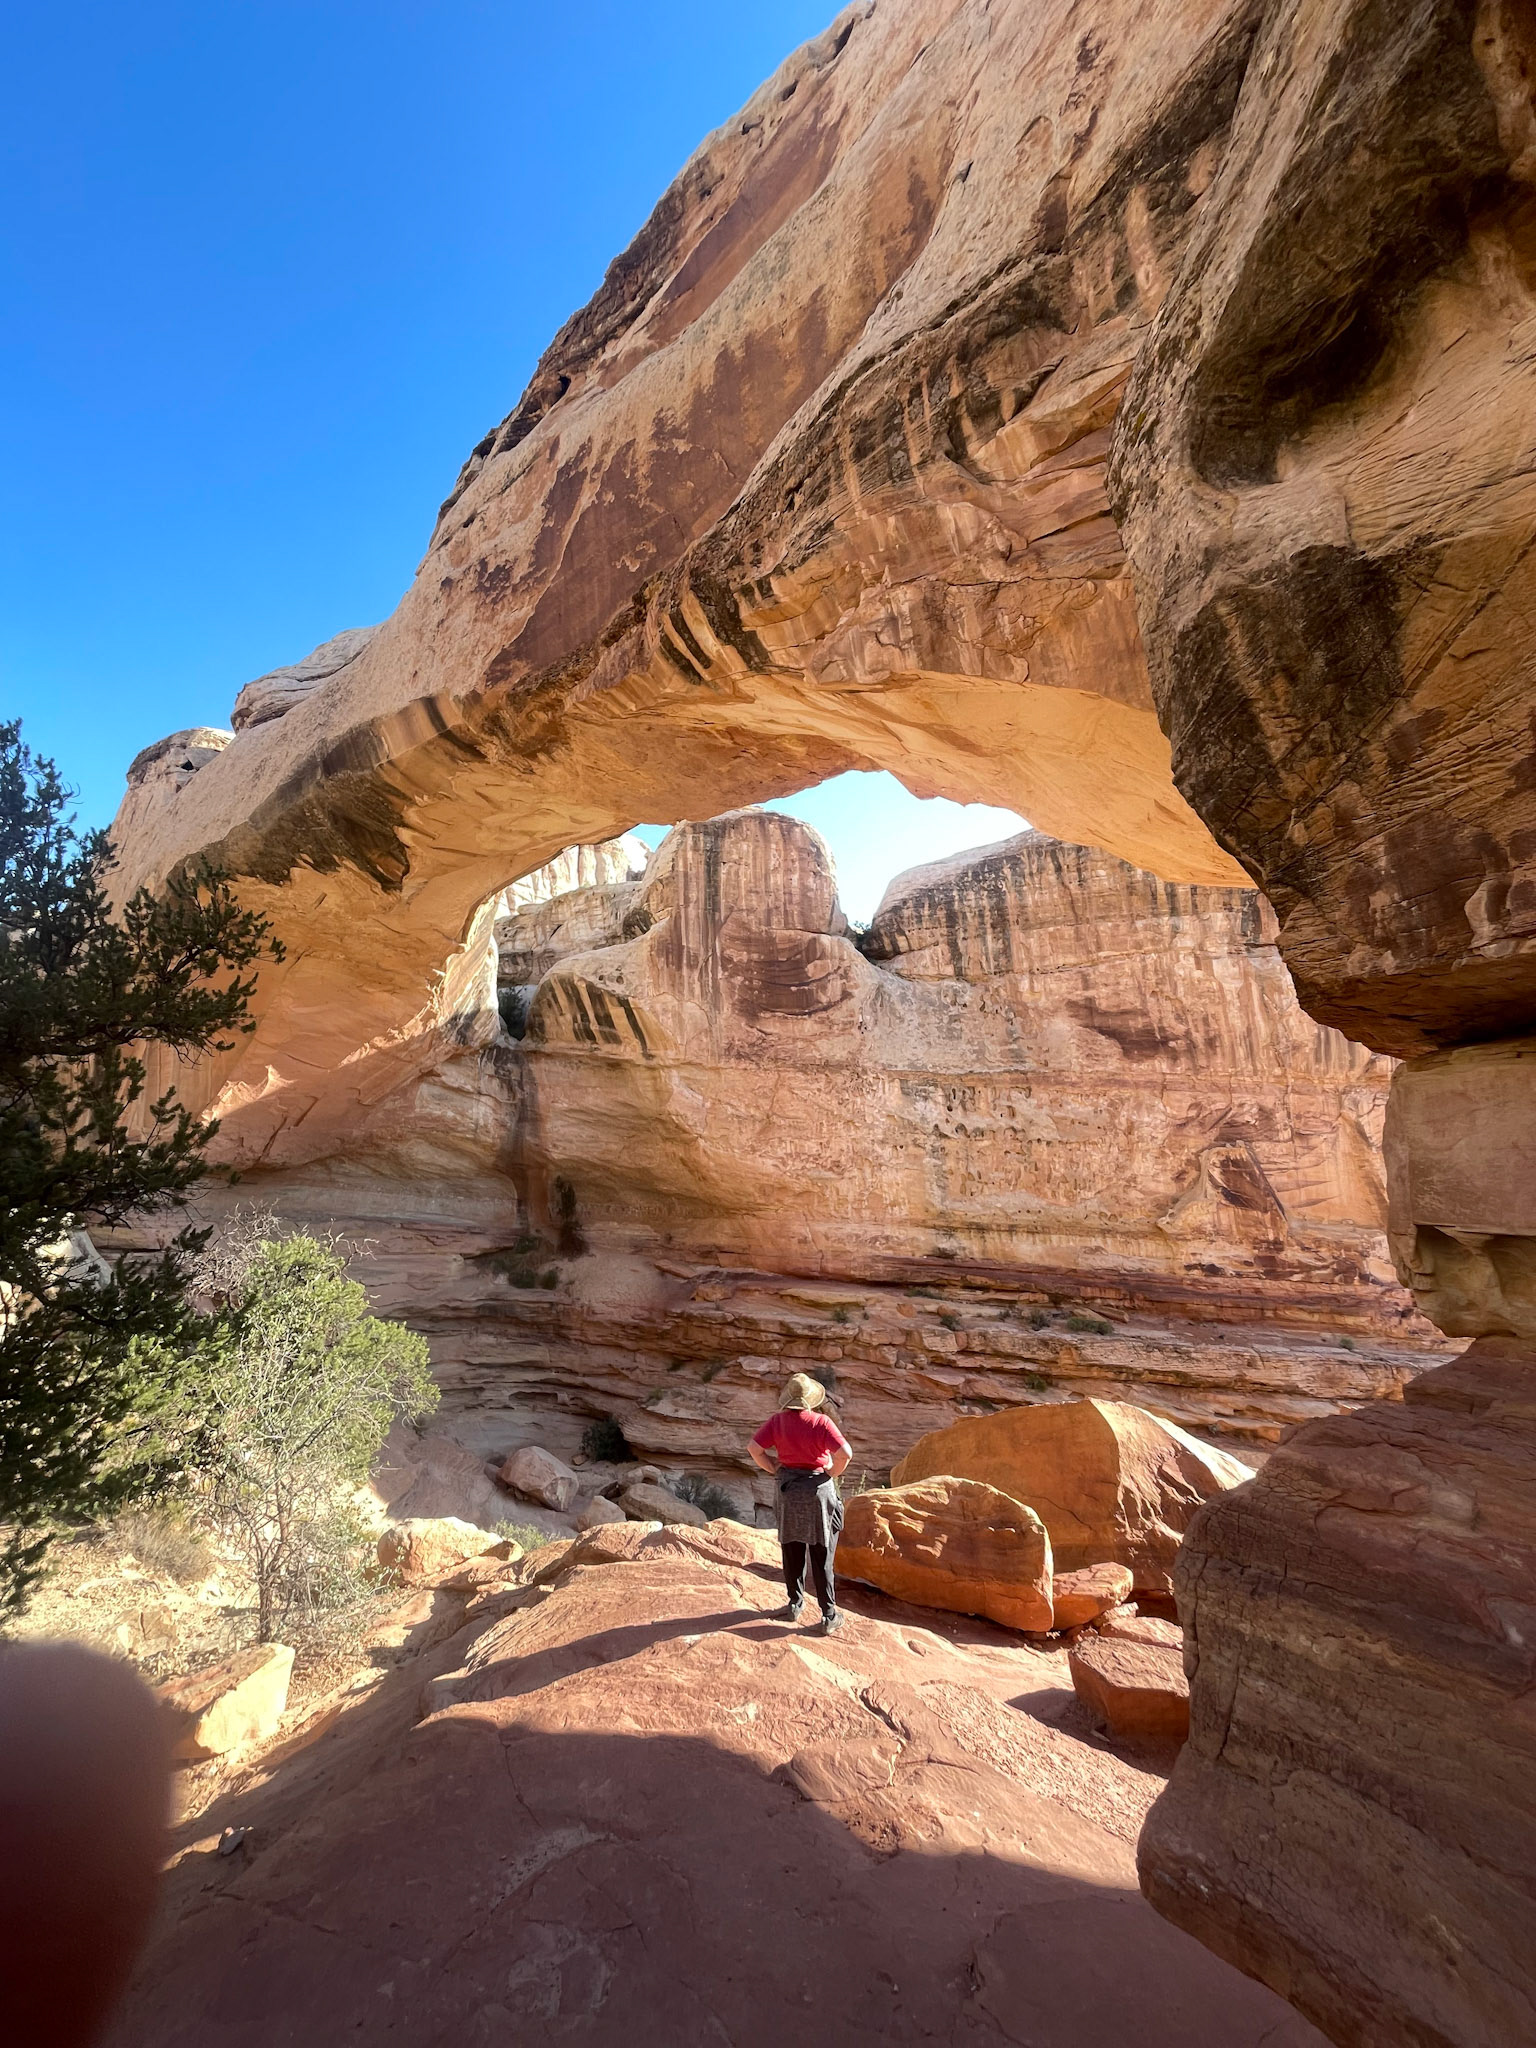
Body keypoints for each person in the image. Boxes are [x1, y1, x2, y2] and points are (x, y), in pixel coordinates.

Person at [748, 1372, 852, 1635]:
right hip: (817, 1492)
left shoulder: (777, 1421)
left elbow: (754, 1448)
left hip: (788, 1490)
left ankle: (794, 1604)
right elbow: (845, 1454)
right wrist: (831, 1471)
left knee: (792, 1548)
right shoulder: (821, 1422)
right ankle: (828, 1615)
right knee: (822, 1553)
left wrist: (772, 1466)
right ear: (811, 1400)